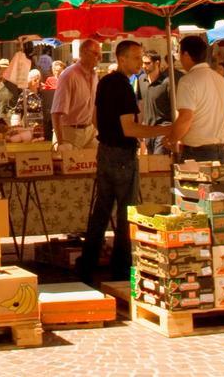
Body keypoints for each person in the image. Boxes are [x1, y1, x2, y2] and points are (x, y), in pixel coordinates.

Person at [78, 40, 172, 283]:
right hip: (121, 155)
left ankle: (87, 263)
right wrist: (163, 131)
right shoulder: (122, 86)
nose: (140, 62)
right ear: (121, 59)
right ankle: (121, 268)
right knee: (125, 212)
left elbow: (96, 119)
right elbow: (129, 128)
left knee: (101, 211)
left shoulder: (105, 82)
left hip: (105, 152)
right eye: (135, 57)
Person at [168, 35, 224, 162]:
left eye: (179, 54)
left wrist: (171, 139)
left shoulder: (188, 81)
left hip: (199, 151)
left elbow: (186, 118)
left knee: (194, 183)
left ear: (185, 55)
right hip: (221, 147)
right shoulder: (219, 78)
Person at [51, 39, 101, 149]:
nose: (100, 58)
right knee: (70, 165)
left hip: (90, 131)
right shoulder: (69, 75)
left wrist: (101, 131)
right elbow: (56, 113)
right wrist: (61, 143)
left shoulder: (94, 75)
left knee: (97, 162)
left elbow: (93, 109)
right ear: (84, 53)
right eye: (96, 54)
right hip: (70, 132)